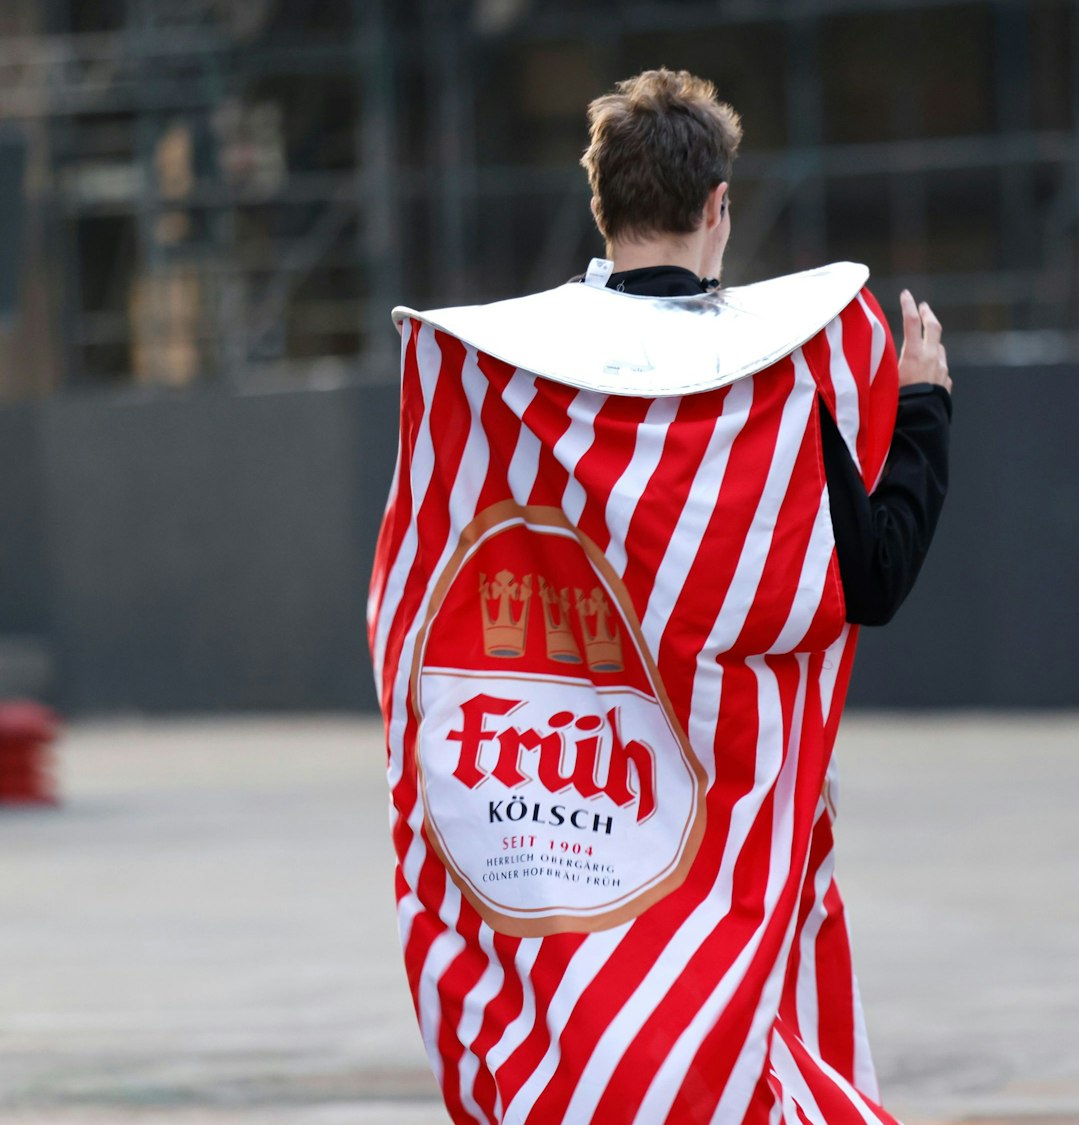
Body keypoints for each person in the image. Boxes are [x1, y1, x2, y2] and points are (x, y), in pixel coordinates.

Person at [369, 69, 950, 1123]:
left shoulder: (510, 382)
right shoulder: (778, 390)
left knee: (591, 1054)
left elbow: (434, 581)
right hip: (718, 855)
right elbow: (874, 578)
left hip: (564, 836)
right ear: (716, 207)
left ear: (602, 203)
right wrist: (921, 414)